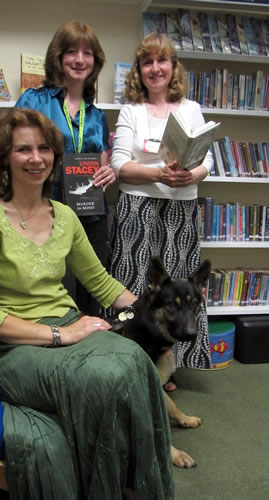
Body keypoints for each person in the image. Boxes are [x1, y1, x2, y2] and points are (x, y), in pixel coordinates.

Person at [0, 107, 174, 500]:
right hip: (10, 347)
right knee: (104, 379)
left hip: (68, 325)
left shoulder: (64, 215)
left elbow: (100, 281)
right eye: (23, 149)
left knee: (134, 360)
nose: (36, 158)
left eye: (44, 148)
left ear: (55, 157)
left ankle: (132, 483)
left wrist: (154, 311)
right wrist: (62, 334)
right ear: (5, 157)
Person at [107, 32, 214, 377]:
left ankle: (166, 369)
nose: (155, 68)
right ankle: (122, 361)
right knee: (131, 282)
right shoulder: (131, 110)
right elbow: (120, 165)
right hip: (136, 208)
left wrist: (192, 175)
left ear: (173, 66)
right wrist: (159, 174)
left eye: (162, 60)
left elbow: (206, 160)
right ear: (139, 69)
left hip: (180, 210)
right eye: (147, 61)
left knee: (180, 293)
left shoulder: (191, 109)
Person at [15, 19, 115, 317]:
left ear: (95, 61)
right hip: (45, 212)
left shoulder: (96, 115)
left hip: (91, 216)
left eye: (88, 53)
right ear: (58, 56)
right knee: (51, 293)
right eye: (72, 51)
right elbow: (13, 150)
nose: (80, 60)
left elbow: (103, 162)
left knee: (92, 293)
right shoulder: (34, 100)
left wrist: (107, 172)